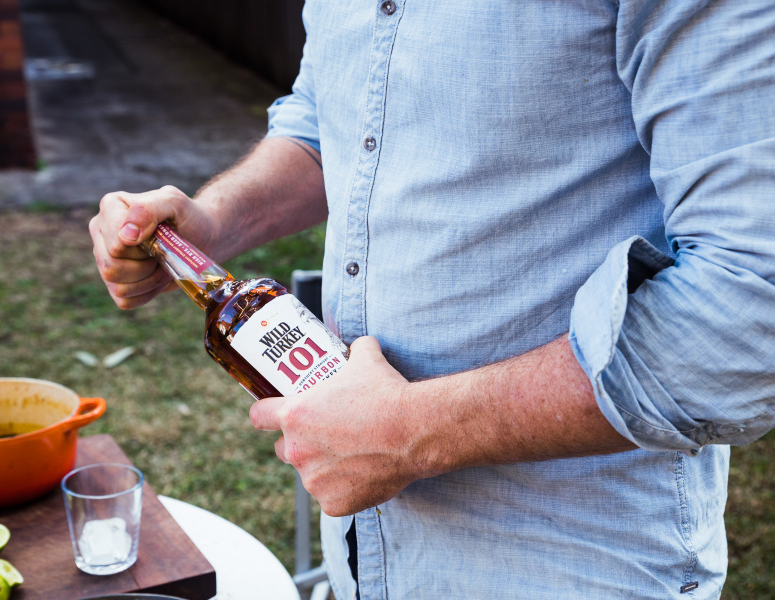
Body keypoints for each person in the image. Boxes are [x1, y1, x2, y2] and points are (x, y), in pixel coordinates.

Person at [89, 1, 775, 598]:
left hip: (572, 558)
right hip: (368, 550)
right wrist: (214, 224)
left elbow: (747, 310)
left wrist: (411, 433)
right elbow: (331, 117)